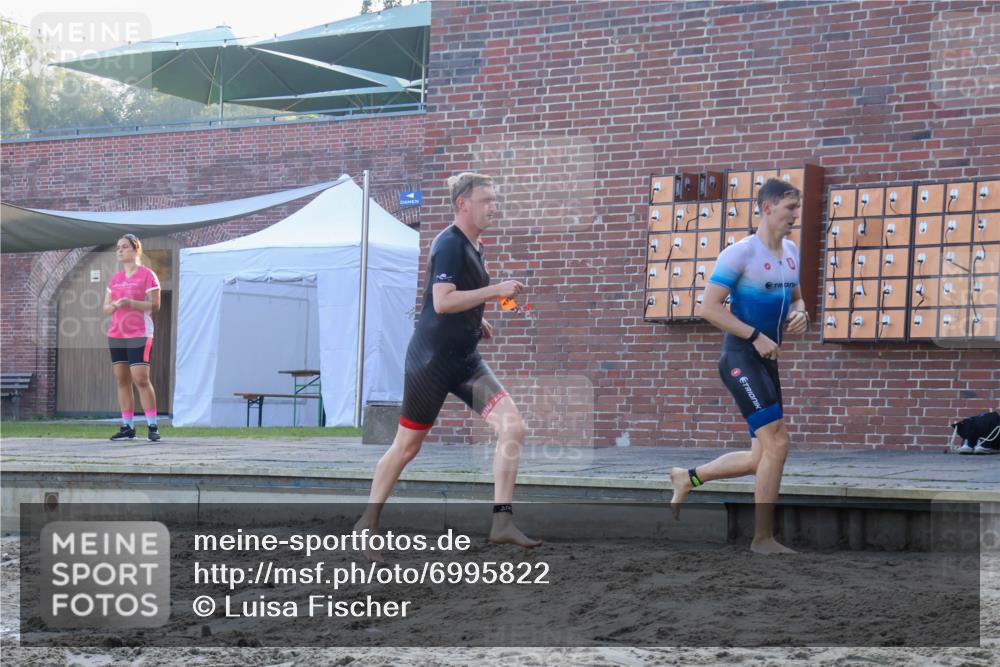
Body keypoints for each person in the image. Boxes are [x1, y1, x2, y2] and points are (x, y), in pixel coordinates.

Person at [355, 172, 541, 558]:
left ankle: (502, 522)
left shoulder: (475, 244)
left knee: (513, 426)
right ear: (463, 204)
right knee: (407, 447)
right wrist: (494, 291)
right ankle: (366, 524)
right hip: (431, 363)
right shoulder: (449, 244)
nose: (495, 207)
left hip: (465, 360)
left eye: (495, 199)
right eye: (487, 200)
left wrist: (477, 318)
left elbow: (452, 300)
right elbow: (441, 301)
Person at [669, 178, 809, 554]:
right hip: (740, 358)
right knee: (778, 443)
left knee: (759, 457)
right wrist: (755, 337)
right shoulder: (740, 254)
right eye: (789, 208)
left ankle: (688, 477)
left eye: (797, 208)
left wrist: (801, 314)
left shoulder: (791, 251)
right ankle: (762, 539)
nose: (795, 215)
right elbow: (709, 308)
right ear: (767, 208)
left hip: (767, 360)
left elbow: (796, 299)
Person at [103, 234, 162, 442]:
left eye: (125, 247)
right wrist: (116, 305)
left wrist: (130, 302)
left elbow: (155, 306)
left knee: (141, 379)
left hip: (139, 333)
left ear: (136, 249)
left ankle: (152, 426)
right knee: (122, 379)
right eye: (118, 247)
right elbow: (106, 308)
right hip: (116, 334)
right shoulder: (115, 279)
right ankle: (127, 426)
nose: (120, 250)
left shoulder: (148, 275)